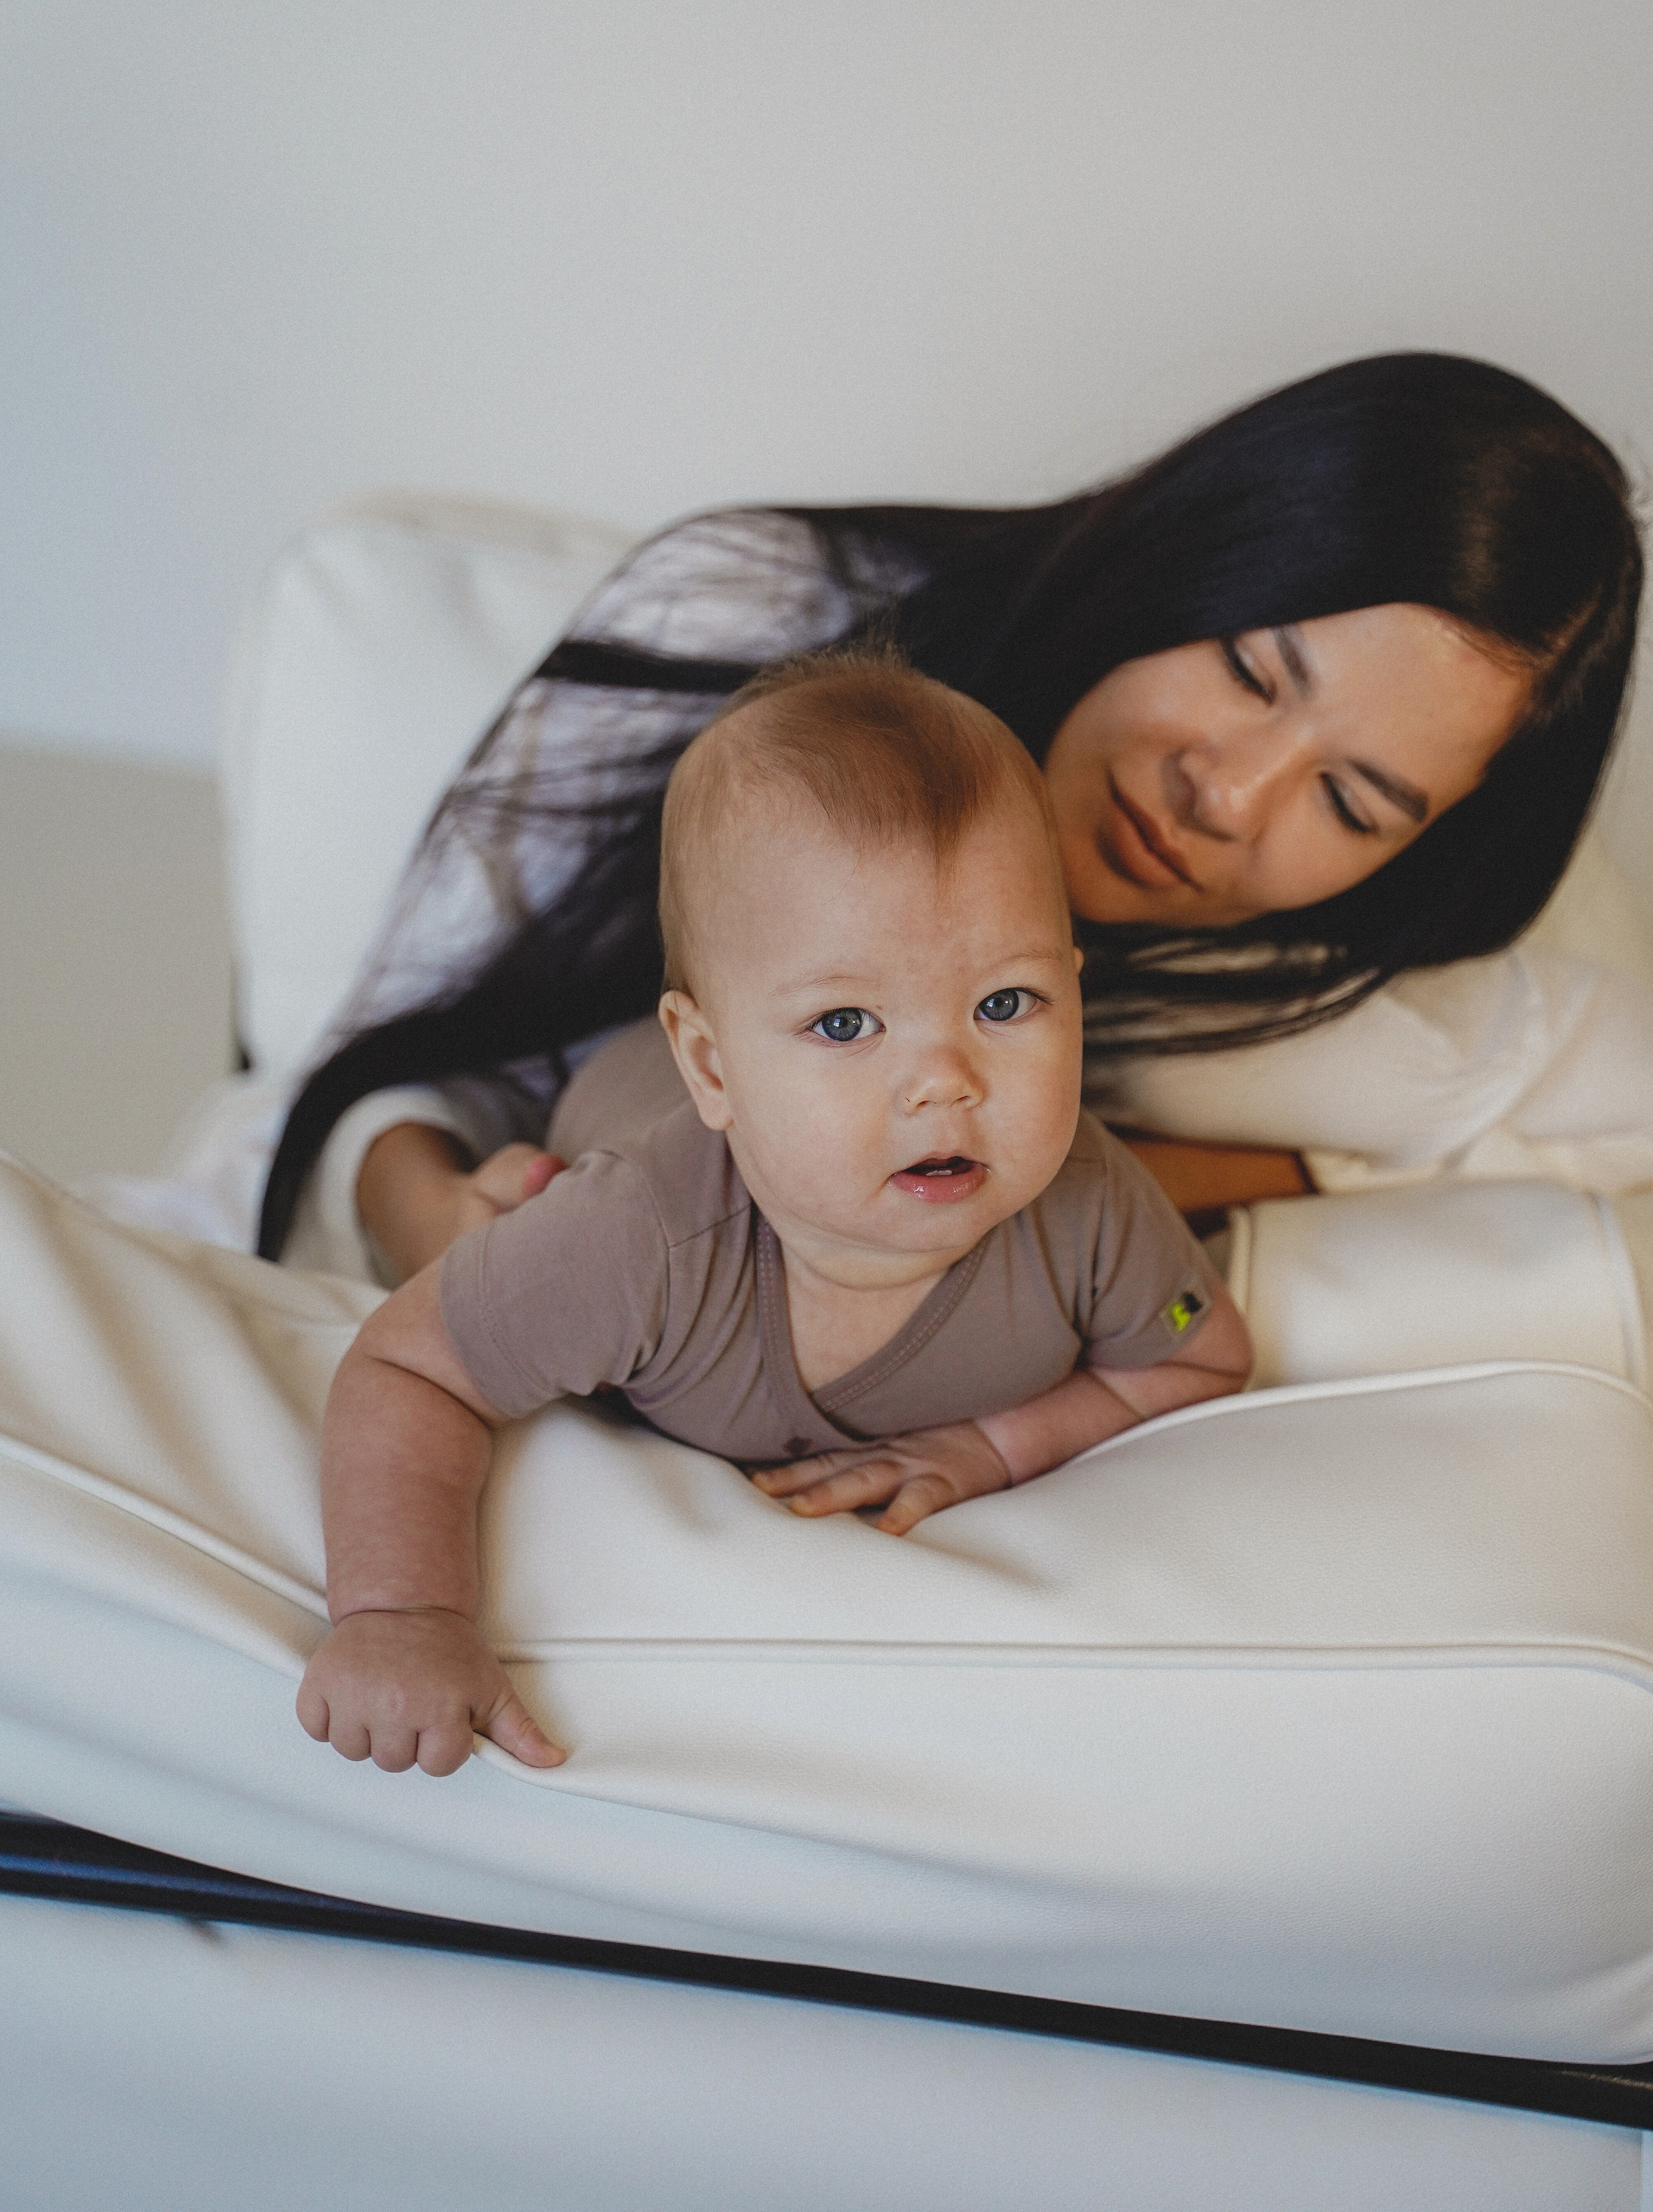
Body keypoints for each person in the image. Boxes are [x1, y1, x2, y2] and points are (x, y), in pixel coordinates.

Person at [256, 351, 1643, 1282]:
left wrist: (1188, 1173)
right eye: (1246, 670)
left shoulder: (1303, 998)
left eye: (1349, 801)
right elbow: (409, 1046)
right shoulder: (742, 614)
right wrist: (422, 1212)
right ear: (1190, 555)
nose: (1227, 796)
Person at [296, 656, 1251, 1775]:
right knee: (495, 1209)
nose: (945, 1081)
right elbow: (409, 1368)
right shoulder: (637, 1237)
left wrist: (992, 1445)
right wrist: (403, 1611)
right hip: (594, 1114)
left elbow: (1199, 1355)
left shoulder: (1088, 1204)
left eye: (1006, 1003)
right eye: (846, 1024)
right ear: (712, 1066)